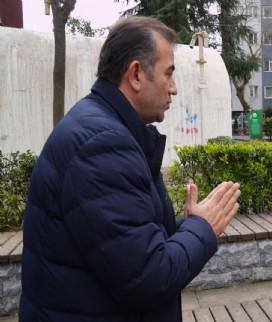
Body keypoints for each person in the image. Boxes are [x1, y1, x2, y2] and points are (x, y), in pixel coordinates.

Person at [20, 16, 240, 322]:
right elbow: (148, 278)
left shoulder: (101, 128)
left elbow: (123, 243)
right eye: (168, 74)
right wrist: (203, 229)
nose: (174, 89)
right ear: (136, 74)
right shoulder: (102, 147)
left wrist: (187, 226)